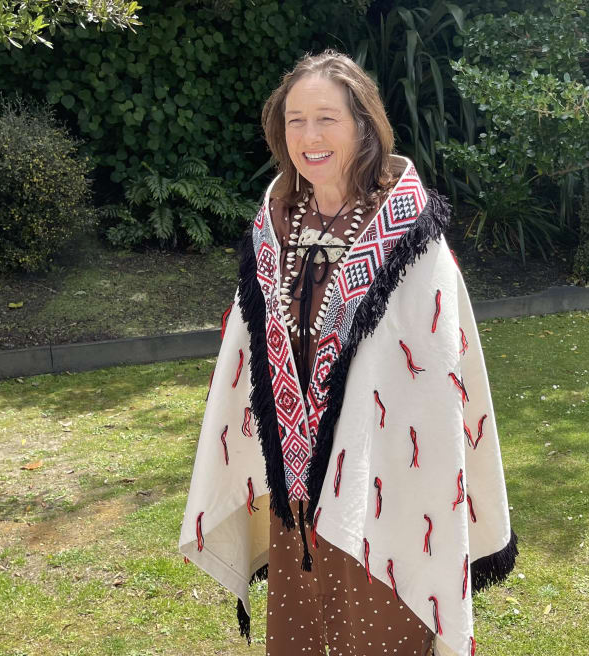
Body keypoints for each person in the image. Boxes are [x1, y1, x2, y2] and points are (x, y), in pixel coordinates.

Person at [178, 50, 516, 656]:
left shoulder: (412, 237)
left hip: (380, 479)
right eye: (296, 120)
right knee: (304, 632)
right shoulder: (275, 225)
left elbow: (435, 373)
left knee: (376, 635)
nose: (310, 136)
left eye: (327, 118)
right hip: (296, 486)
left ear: (364, 124)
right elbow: (249, 352)